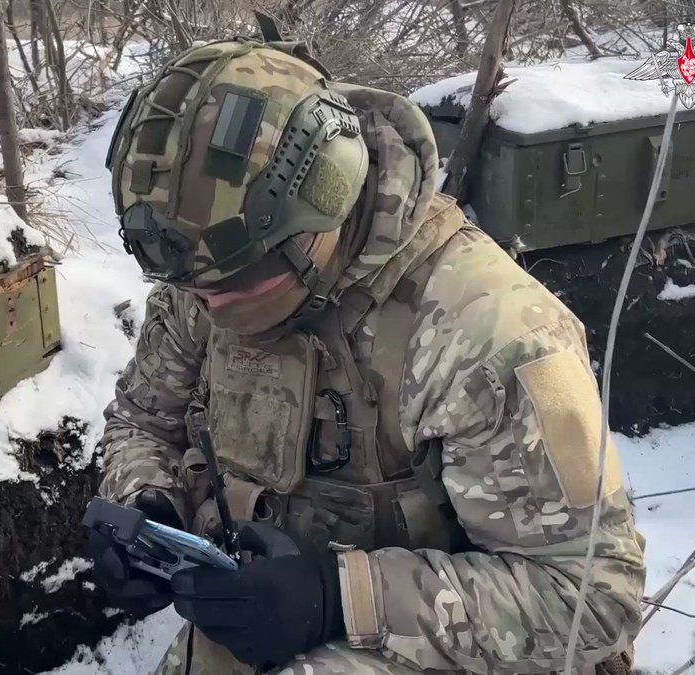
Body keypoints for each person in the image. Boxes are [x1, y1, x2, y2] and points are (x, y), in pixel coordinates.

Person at [86, 28, 645, 675]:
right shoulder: (211, 264)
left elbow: (589, 597)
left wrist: (341, 597)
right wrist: (146, 505)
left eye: (231, 285)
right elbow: (141, 419)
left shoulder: (486, 331)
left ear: (316, 219)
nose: (207, 308)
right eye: (188, 287)